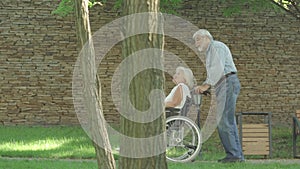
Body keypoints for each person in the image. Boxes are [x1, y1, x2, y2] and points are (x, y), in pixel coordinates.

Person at [193, 29, 244, 163]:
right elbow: (213, 74)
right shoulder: (210, 52)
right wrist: (206, 85)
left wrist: (206, 86)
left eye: (197, 39)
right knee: (227, 120)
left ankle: (234, 155)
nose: (196, 43)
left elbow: (218, 69)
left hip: (228, 82)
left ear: (206, 38)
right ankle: (236, 156)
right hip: (224, 84)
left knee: (224, 120)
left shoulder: (216, 47)